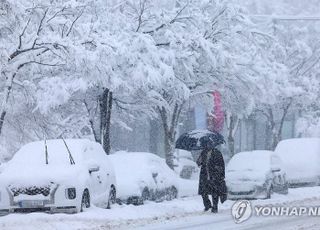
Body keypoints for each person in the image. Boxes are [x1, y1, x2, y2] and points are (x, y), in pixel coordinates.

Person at [197, 141, 227, 213]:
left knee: (214, 192)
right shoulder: (203, 152)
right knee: (203, 192)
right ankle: (207, 205)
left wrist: (220, 174)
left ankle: (215, 207)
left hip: (214, 175)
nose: (208, 145)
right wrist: (200, 159)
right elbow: (198, 163)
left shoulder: (217, 153)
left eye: (210, 144)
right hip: (204, 175)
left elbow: (221, 164)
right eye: (207, 144)